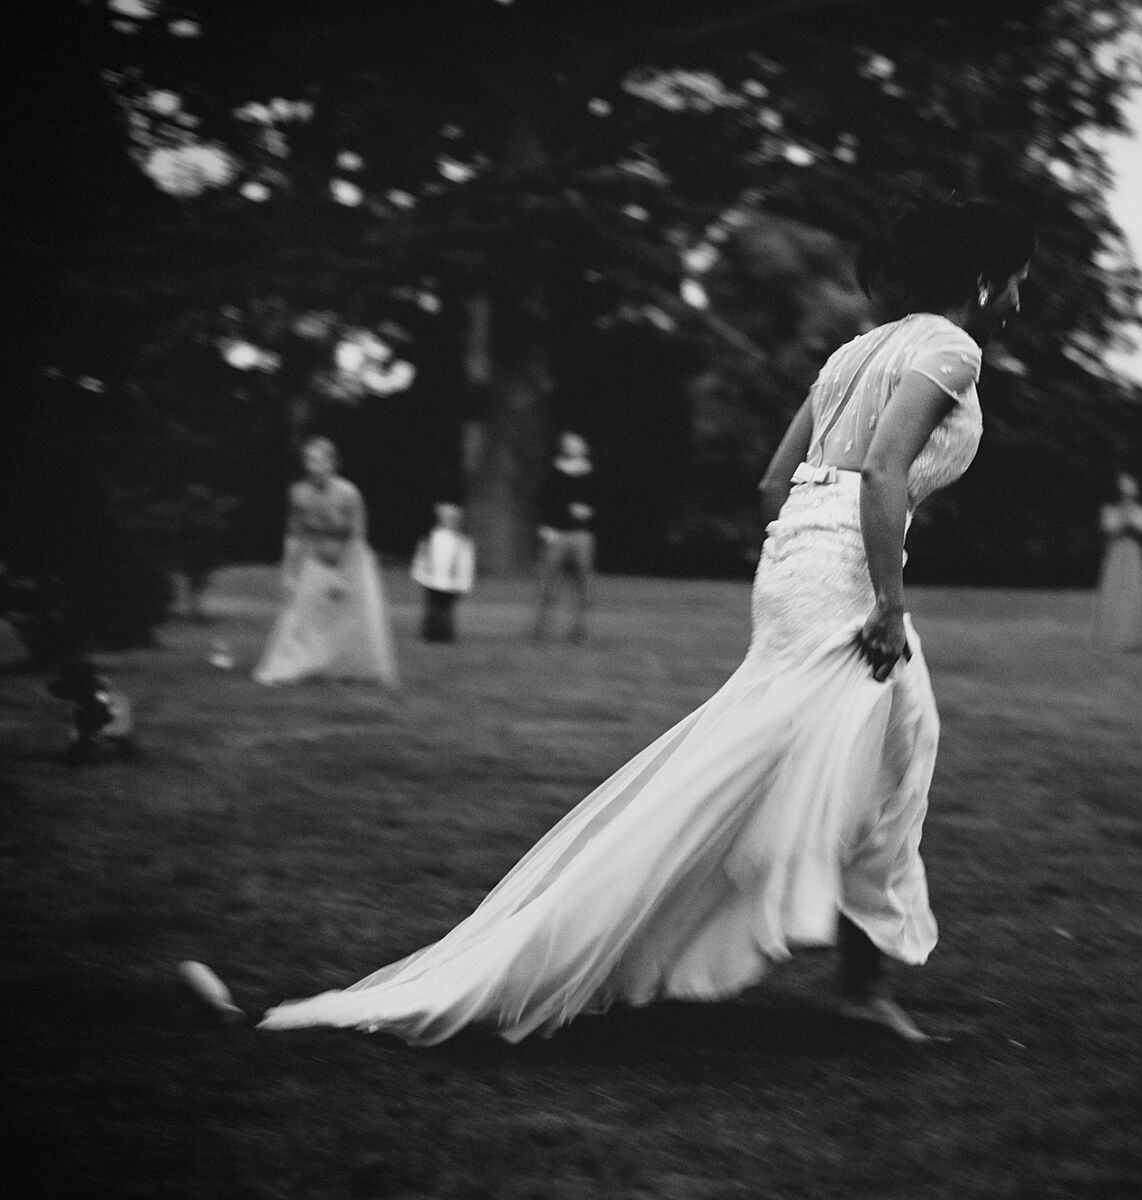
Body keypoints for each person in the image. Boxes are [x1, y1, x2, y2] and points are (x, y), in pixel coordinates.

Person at [255, 195, 1034, 1046]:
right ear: (986, 282)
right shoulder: (950, 347)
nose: (1019, 305)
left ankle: (850, 978)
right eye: (1018, 285)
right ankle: (754, 958)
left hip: (798, 563)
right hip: (846, 576)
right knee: (844, 767)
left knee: (882, 754)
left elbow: (778, 481)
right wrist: (885, 601)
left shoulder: (851, 354)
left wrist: (805, 558)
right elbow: (884, 474)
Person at [253, 437, 399, 687]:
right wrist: (288, 573)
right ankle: (299, 664)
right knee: (302, 617)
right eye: (309, 459)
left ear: (332, 463)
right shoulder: (298, 493)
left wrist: (346, 577)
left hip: (351, 560)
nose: (313, 465)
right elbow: (294, 536)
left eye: (319, 459)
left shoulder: (349, 493)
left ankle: (350, 669)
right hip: (316, 560)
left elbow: (357, 536)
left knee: (352, 621)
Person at [531, 432, 598, 643]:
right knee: (549, 586)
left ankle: (579, 632)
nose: (573, 448)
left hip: (582, 536)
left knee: (582, 588)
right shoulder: (554, 472)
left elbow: (599, 503)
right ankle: (541, 630)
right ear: (564, 448)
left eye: (577, 445)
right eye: (569, 445)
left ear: (583, 448)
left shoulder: (591, 475)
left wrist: (590, 512)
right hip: (556, 535)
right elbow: (543, 501)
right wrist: (545, 526)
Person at [1094, 472, 1142, 652]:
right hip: (1116, 553)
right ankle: (1113, 638)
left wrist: (1131, 523)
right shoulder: (1109, 511)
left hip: (1133, 554)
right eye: (1123, 493)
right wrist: (1121, 522)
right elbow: (1108, 530)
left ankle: (1133, 639)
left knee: (1133, 593)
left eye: (1129, 493)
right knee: (1114, 592)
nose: (1126, 497)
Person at [411, 503, 476, 643]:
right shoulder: (430, 538)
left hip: (452, 582)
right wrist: (419, 574)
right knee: (433, 608)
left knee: (446, 609)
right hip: (432, 579)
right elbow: (422, 558)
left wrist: (465, 583)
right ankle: (430, 633)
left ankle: (445, 634)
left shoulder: (462, 541)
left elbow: (466, 564)